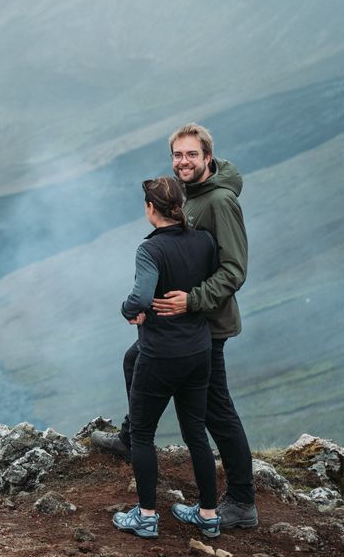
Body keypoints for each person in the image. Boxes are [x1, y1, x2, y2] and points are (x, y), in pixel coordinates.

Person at [94, 123, 258, 529]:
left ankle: (241, 500)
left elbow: (235, 269)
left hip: (207, 325)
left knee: (216, 413)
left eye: (191, 155)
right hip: (184, 323)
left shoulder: (219, 202)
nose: (183, 162)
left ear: (207, 157)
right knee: (135, 359)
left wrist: (193, 300)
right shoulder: (193, 196)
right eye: (177, 155)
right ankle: (132, 437)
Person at [111, 177, 220, 538]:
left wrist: (129, 309)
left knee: (141, 435)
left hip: (160, 355)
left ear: (150, 209)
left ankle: (146, 517)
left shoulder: (150, 250)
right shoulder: (203, 240)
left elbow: (141, 297)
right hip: (199, 351)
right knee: (196, 434)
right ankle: (207, 515)